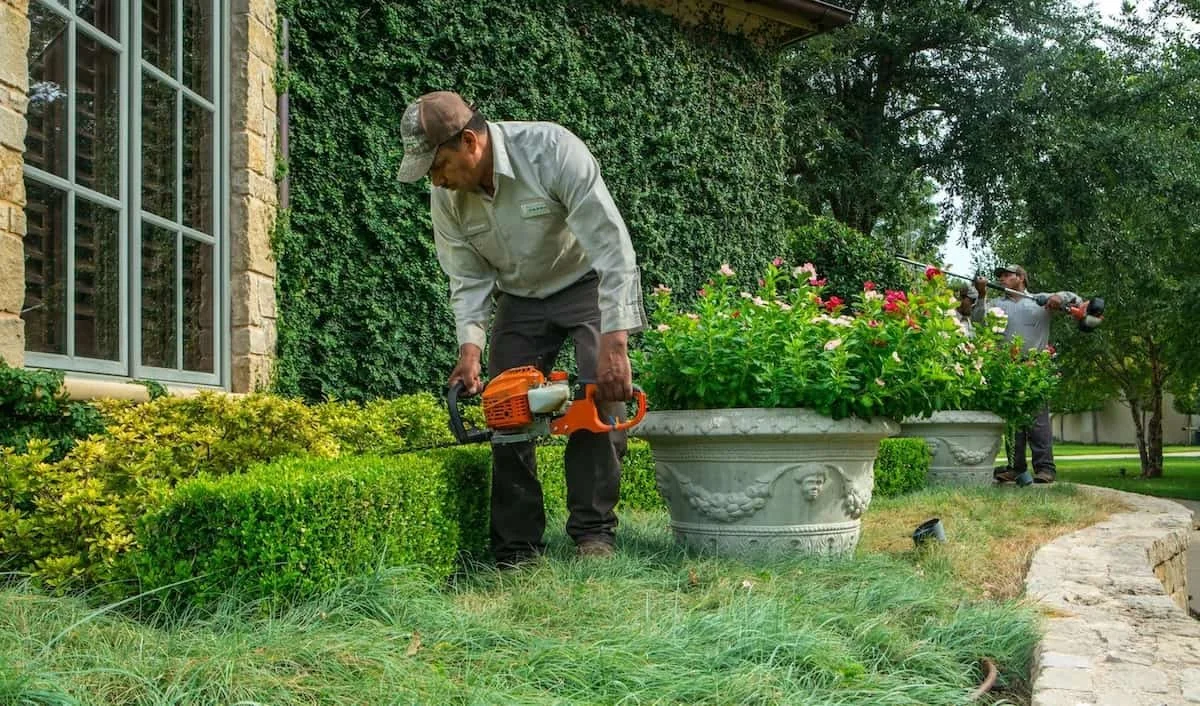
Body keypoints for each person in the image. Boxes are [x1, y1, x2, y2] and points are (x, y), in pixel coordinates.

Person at [396, 91, 646, 566]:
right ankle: (518, 548)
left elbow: (612, 248)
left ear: (470, 142)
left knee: (600, 392)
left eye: (439, 165)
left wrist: (617, 341)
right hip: (520, 298)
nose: (437, 179)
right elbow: (467, 278)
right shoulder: (447, 199)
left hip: (582, 283)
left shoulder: (551, 150)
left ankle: (594, 535)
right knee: (504, 407)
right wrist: (470, 350)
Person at [972, 263, 1083, 485]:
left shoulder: (1039, 301)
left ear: (1021, 278)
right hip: (1007, 368)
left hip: (1035, 366)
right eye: (1000, 276)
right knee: (1013, 422)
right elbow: (977, 320)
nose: (1002, 279)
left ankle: (1045, 469)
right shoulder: (995, 305)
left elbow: (1075, 299)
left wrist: (1059, 297)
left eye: (1007, 275)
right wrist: (982, 295)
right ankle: (1015, 467)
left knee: (1038, 420)